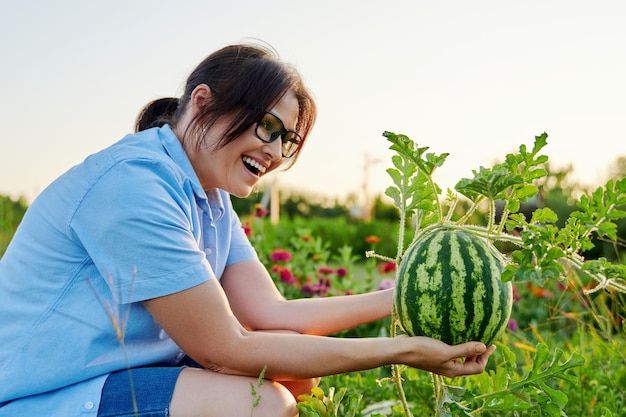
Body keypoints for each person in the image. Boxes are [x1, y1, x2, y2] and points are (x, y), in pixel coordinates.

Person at [0, 42, 496, 417]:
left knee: (289, 381)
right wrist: (406, 351)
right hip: (45, 394)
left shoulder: (210, 198)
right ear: (202, 103)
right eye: (269, 128)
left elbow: (271, 314)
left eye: (290, 140)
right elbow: (227, 346)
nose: (278, 153)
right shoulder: (133, 187)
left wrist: (412, 295)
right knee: (260, 403)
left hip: (115, 377)